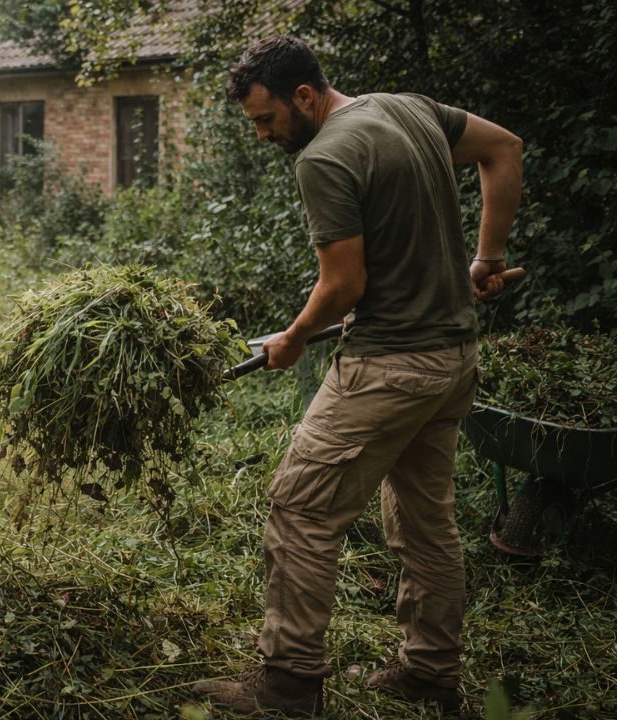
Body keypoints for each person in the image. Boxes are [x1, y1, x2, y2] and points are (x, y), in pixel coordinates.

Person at [191, 35, 522, 716]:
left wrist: (294, 337)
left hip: (390, 367)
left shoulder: (327, 156)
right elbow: (504, 148)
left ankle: (285, 688)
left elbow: (343, 284)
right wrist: (488, 257)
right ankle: (430, 673)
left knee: (302, 509)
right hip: (453, 359)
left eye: (265, 119)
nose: (260, 135)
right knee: (427, 523)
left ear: (304, 97)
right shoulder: (407, 111)